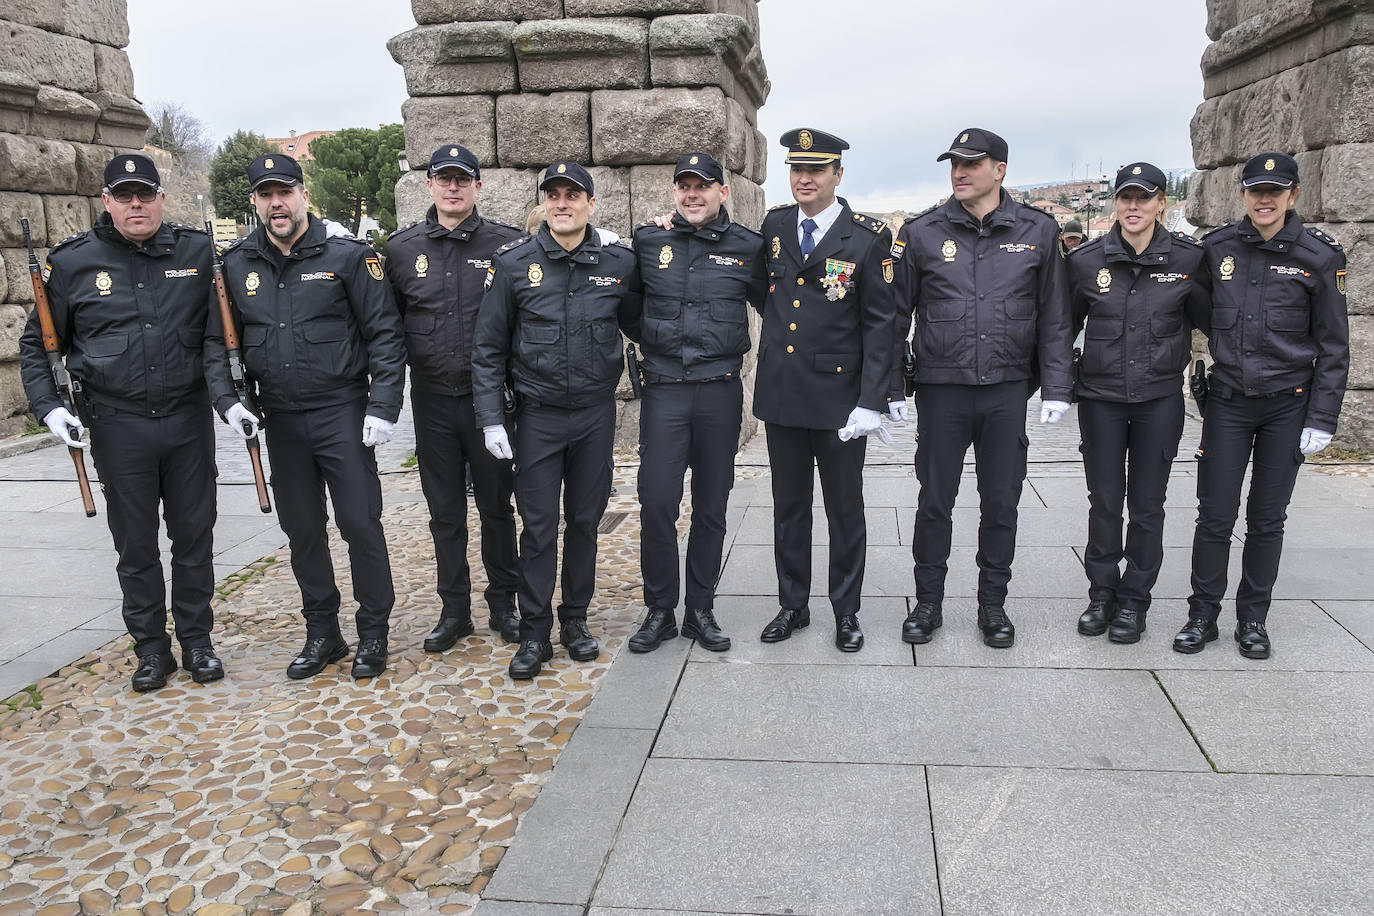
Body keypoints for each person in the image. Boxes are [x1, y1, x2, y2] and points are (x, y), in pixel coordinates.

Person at [18, 152, 221, 692]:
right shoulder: (72, 264)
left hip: (186, 420)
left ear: (161, 199)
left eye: (145, 194)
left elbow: (228, 325)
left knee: (194, 538)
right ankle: (151, 650)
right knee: (135, 546)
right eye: (124, 196)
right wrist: (49, 407)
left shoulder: (197, 252)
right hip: (117, 424)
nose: (136, 204)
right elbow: (37, 344)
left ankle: (198, 642)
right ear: (106, 201)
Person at [204, 153, 406, 680]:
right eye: (266, 195)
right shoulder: (235, 265)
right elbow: (216, 343)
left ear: (303, 195)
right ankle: (323, 633)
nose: (277, 203)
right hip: (282, 420)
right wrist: (228, 401)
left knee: (359, 524)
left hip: (343, 412)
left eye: (285, 192)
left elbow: (384, 334)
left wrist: (383, 406)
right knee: (302, 531)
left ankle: (373, 632)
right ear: (254, 201)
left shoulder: (347, 256)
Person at [891, 128, 1073, 649]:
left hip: (1006, 390)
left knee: (1001, 502)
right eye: (954, 163)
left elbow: (1055, 315)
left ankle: (993, 605)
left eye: (972, 163)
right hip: (942, 390)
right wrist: (891, 387)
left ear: (1000, 170)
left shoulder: (1038, 231)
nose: (960, 172)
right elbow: (894, 315)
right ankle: (928, 603)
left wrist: (1057, 386)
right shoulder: (923, 232)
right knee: (934, 502)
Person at [1173, 151, 1349, 659]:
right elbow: (1194, 307)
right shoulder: (1218, 248)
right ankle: (1202, 615)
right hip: (1228, 401)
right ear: (1243, 194)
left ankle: (1252, 618)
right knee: (1214, 516)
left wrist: (1323, 417)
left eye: (1275, 191)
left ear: (1293, 195)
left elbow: (1334, 344)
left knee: (1267, 519)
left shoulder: (1319, 255)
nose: (1265, 200)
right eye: (1256, 191)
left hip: (1287, 405)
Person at [472, 161, 641, 680]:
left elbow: (642, 322)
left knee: (585, 523)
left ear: (591, 204)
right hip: (538, 418)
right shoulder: (514, 264)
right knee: (540, 528)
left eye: (573, 195)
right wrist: (491, 419)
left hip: (593, 416)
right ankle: (534, 631)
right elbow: (488, 347)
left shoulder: (618, 263)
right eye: (553, 195)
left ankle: (575, 621)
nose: (562, 203)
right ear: (544, 203)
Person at [753, 128, 895, 654]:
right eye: (797, 169)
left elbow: (881, 324)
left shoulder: (866, 237)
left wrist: (872, 401)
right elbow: (761, 292)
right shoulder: (775, 226)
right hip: (783, 394)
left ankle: (846, 610)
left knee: (843, 509)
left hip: (839, 402)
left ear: (838, 174)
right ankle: (793, 604)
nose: (804, 179)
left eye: (816, 170)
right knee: (789, 508)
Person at [625, 152, 768, 654]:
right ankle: (660, 610)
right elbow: (627, 305)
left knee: (711, 506)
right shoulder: (649, 240)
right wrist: (656, 340)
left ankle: (700, 610)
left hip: (718, 392)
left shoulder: (748, 247)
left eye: (702, 186)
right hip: (665, 389)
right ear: (674, 193)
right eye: (684, 186)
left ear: (722, 192)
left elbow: (775, 306)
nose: (692, 194)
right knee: (657, 502)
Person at [383, 145, 523, 650]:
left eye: (462, 179)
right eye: (444, 179)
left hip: (489, 403)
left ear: (478, 186)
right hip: (433, 402)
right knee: (444, 513)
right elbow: (388, 326)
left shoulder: (508, 246)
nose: (453, 187)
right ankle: (454, 609)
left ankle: (504, 604)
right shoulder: (401, 250)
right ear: (430, 185)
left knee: (496, 508)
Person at [1066, 162, 1211, 643]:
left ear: (1160, 203)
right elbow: (1062, 328)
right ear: (1115, 203)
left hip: (1158, 400)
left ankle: (1133, 601)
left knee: (1148, 505)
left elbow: (1216, 323)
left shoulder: (1188, 260)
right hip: (1101, 399)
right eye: (1126, 198)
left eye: (1143, 198)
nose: (1133, 207)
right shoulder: (1086, 262)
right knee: (1105, 502)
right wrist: (1056, 385)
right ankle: (1101, 595)